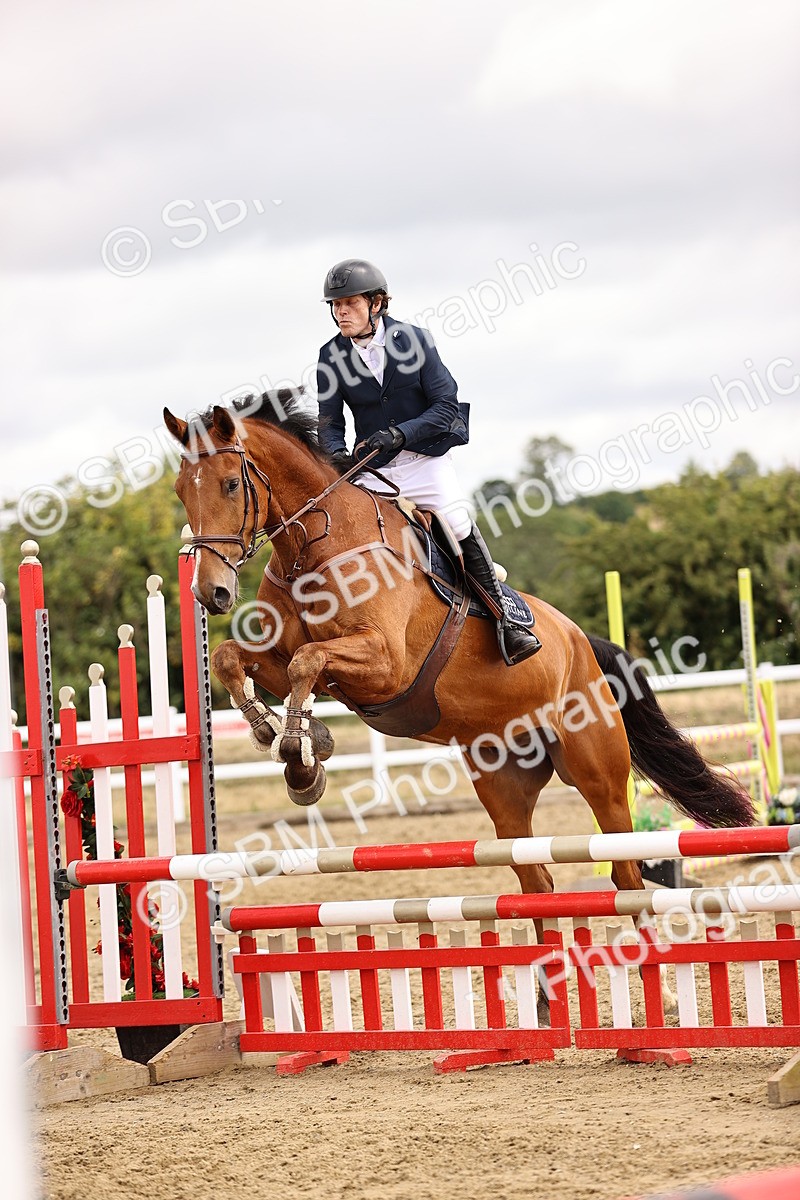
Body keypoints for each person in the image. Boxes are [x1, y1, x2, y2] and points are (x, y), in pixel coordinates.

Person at [316, 258, 541, 666]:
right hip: (372, 469)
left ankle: (507, 621)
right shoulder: (330, 356)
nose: (341, 312)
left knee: (454, 522)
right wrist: (335, 458)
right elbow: (329, 422)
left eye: (349, 303)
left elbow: (444, 407)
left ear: (377, 303)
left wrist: (400, 434)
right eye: (335, 305)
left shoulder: (415, 341)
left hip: (423, 460)